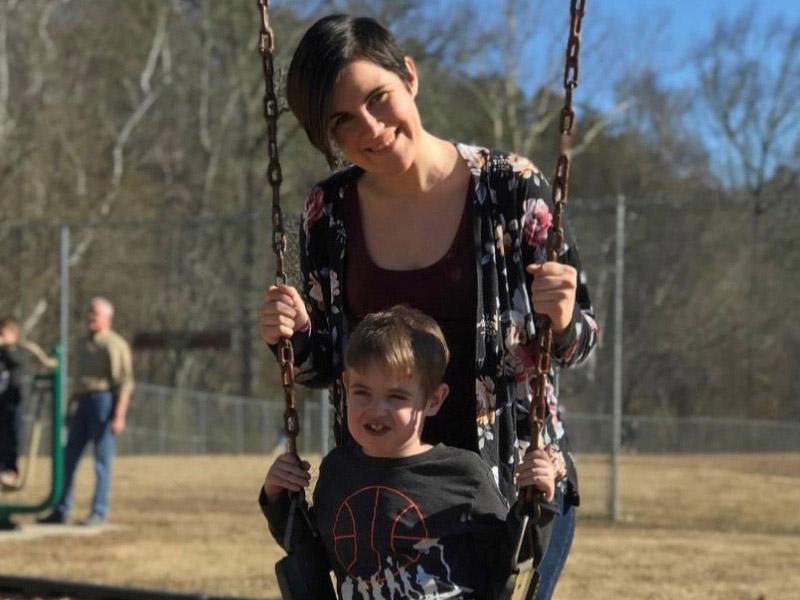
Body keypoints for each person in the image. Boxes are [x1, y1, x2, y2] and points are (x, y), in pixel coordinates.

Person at [259, 15, 599, 598]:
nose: (370, 128)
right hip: (386, 490)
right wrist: (289, 337)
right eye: (342, 120)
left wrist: (564, 319)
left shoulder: (510, 188)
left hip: (513, 482)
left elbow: (579, 340)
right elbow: (326, 365)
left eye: (378, 98)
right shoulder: (329, 212)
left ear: (409, 77)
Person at [261, 306, 557, 599]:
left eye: (397, 396)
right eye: (362, 392)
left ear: (433, 400)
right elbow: (309, 551)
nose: (376, 410)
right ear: (346, 386)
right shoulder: (338, 472)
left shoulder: (462, 475)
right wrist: (278, 498)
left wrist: (538, 503)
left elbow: (509, 560)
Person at [38, 297, 134, 525]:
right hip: (82, 401)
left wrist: (119, 416)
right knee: (69, 458)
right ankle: (61, 509)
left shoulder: (114, 344)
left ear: (107, 319)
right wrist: (70, 404)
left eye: (95, 314)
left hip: (103, 402)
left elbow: (125, 383)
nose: (90, 318)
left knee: (102, 460)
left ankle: (99, 512)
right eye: (89, 313)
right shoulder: (81, 343)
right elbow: (80, 380)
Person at [0, 317, 23, 487]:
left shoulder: (16, 352)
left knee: (11, 438)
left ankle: (11, 470)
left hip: (13, 403)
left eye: (2, 334)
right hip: (2, 403)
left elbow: (15, 362)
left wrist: (6, 347)